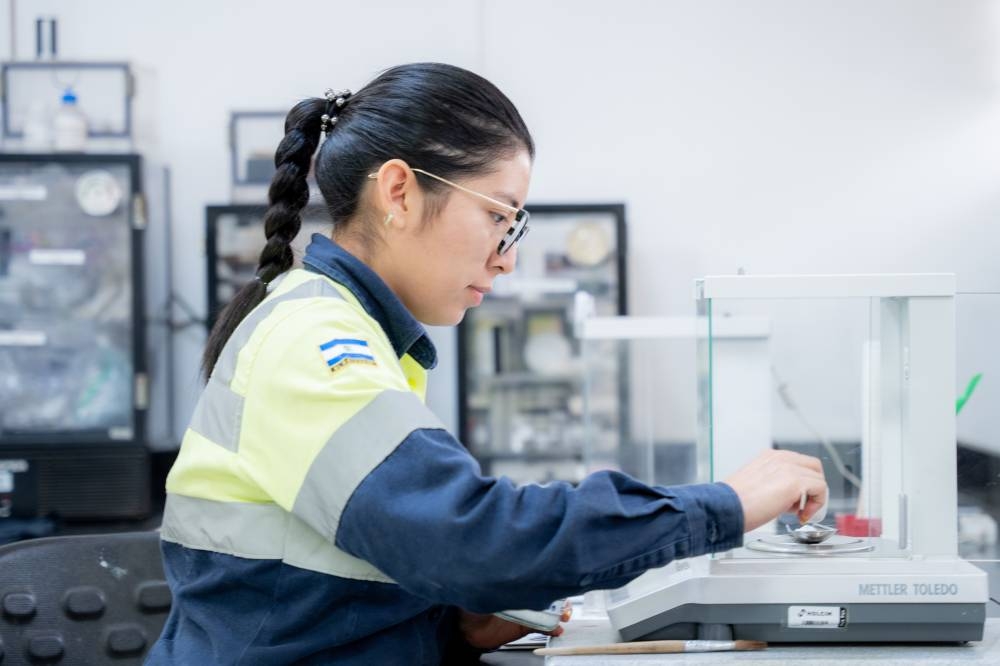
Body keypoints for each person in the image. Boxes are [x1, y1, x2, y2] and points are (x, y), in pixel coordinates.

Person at [147, 62, 827, 665]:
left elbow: (335, 579)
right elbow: (468, 536)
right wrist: (723, 507)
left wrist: (450, 613)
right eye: (499, 216)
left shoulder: (351, 331)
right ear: (400, 193)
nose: (507, 255)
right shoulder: (312, 338)